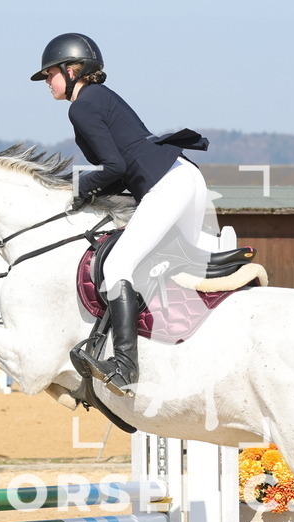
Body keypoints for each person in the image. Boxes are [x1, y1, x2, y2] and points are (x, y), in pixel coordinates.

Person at [32, 33, 211, 397]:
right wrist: (88, 189)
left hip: (167, 184)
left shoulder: (81, 106)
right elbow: (120, 169)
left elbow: (113, 167)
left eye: (50, 74)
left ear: (72, 70)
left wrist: (75, 189)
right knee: (186, 269)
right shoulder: (101, 97)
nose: (47, 81)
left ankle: (125, 366)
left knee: (117, 267)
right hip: (186, 176)